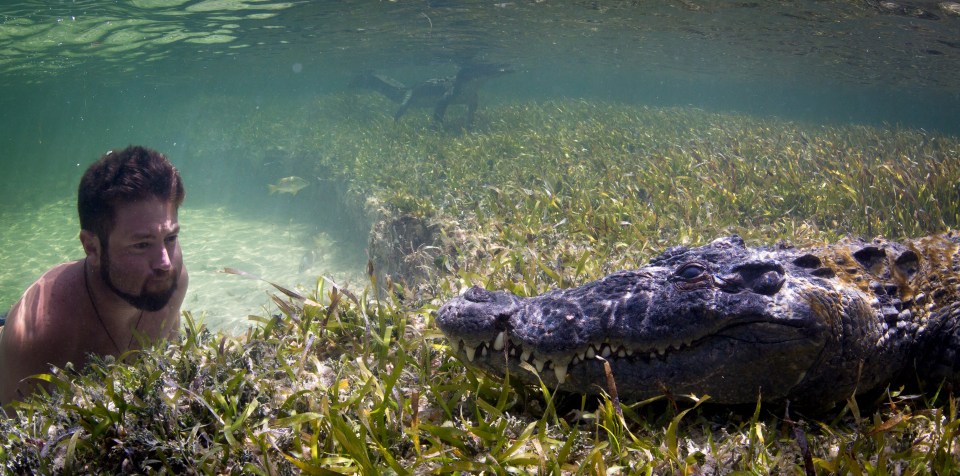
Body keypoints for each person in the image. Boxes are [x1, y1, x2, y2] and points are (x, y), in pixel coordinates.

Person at [0, 146, 188, 405]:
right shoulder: (41, 335)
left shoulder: (171, 281)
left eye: (170, 238)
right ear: (92, 247)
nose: (164, 264)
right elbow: (16, 432)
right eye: (142, 245)